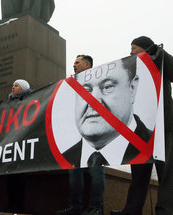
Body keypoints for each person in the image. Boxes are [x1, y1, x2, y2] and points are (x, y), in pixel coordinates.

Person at [111, 36, 173, 215]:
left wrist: (158, 52)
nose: (130, 52)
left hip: (163, 127)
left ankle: (164, 211)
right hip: (139, 130)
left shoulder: (160, 62)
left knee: (165, 173)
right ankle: (132, 210)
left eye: (134, 48)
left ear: (145, 49)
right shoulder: (133, 71)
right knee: (138, 174)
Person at [61, 56, 152, 168]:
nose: (93, 101)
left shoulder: (152, 145)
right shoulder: (64, 159)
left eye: (107, 87)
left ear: (132, 88)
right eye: (84, 91)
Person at [57, 55, 104, 215]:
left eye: (77, 62)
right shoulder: (70, 84)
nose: (74, 65)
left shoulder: (101, 80)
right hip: (75, 133)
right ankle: (75, 207)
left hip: (94, 134)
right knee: (74, 171)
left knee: (95, 171)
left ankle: (95, 207)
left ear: (87, 64)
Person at [6, 79, 33, 213]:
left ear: (23, 88)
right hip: (10, 142)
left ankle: (18, 204)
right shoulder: (9, 103)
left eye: (16, 85)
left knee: (19, 176)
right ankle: (11, 202)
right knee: (9, 175)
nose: (13, 87)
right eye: (13, 85)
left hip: (24, 142)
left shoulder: (31, 100)